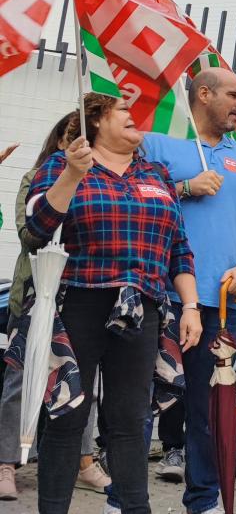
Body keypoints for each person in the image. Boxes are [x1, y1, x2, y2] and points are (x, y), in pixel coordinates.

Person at [23, 94, 202, 514]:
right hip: (78, 303)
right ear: (96, 121)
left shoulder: (156, 174)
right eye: (122, 109)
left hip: (143, 307)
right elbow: (36, 230)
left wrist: (190, 306)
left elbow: (179, 248)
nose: (133, 116)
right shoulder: (59, 167)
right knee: (67, 416)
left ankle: (135, 509)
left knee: (129, 421)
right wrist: (71, 174)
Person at [140, 68, 236, 513]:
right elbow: (133, 199)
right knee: (140, 404)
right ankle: (124, 499)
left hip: (222, 308)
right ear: (203, 93)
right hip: (159, 295)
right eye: (235, 95)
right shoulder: (158, 143)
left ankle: (204, 501)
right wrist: (183, 187)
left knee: (209, 411)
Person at [0, 114, 112, 502]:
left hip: (80, 298)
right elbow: (28, 235)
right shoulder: (37, 179)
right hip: (34, 294)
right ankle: (6, 464)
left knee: (83, 383)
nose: (78, 146)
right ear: (60, 142)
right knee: (19, 379)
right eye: (71, 137)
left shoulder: (104, 183)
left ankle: (84, 462)